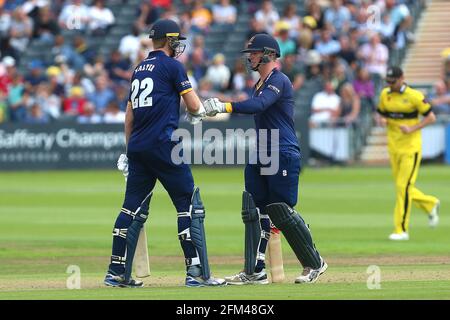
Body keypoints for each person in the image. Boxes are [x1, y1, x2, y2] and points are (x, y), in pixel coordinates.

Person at [104, 19, 225, 288]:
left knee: (130, 207)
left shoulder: (138, 69)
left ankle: (115, 271)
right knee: (188, 205)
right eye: (177, 40)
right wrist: (199, 113)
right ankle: (196, 273)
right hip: (164, 145)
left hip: (138, 147)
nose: (179, 44)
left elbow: (129, 116)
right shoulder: (172, 66)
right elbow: (194, 104)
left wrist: (128, 151)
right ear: (169, 40)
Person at [203, 34, 327, 284]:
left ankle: (315, 263)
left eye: (255, 53)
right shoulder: (258, 84)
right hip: (261, 152)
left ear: (268, 54)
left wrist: (225, 106)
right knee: (255, 211)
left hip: (283, 151)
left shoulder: (279, 81)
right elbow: (255, 103)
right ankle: (254, 270)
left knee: (280, 210)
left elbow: (259, 105)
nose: (250, 57)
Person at [377, 66, 440, 241]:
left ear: (402, 78)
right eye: (388, 82)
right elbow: (380, 113)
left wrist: (412, 128)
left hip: (410, 148)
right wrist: (381, 120)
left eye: (393, 81)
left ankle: (401, 230)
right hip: (393, 147)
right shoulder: (385, 94)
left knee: (402, 188)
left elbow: (431, 117)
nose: (390, 85)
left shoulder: (415, 96)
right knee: (402, 188)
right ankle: (430, 203)